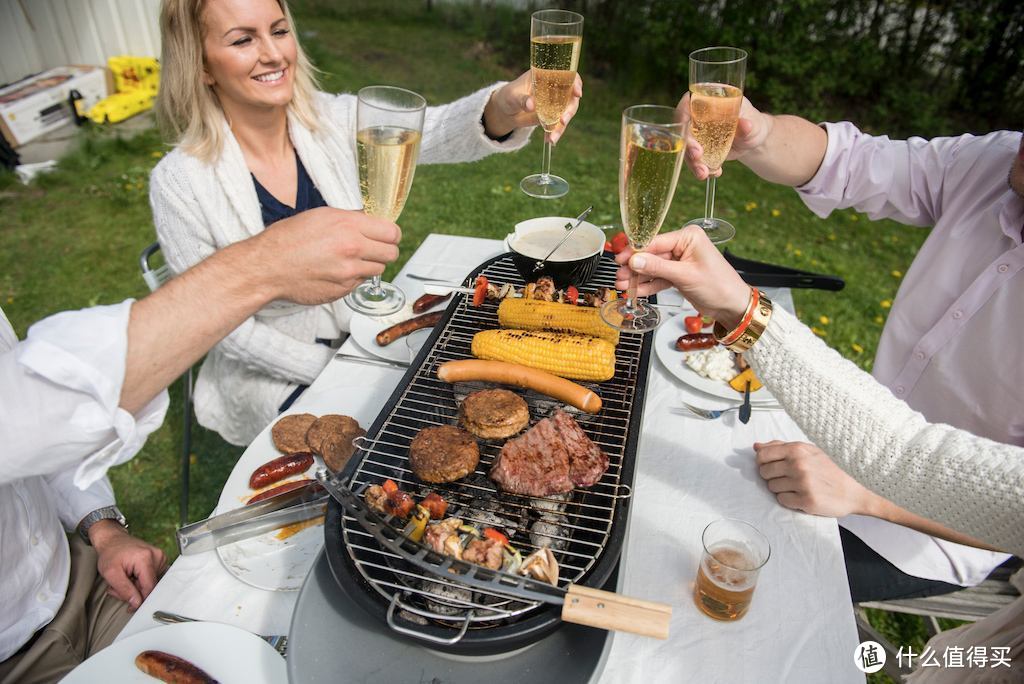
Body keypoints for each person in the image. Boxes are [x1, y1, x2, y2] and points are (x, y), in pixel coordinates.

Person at [150, 0, 581, 446]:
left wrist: (503, 107)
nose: (273, 53)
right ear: (200, 65)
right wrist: (335, 368)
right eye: (243, 39)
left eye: (279, 31)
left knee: (435, 416)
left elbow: (430, 130)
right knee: (368, 444)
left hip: (368, 324)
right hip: (274, 369)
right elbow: (222, 328)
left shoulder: (328, 119)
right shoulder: (180, 182)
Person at [0, 206, 400, 683]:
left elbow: (38, 444)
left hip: (87, 578)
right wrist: (261, 266)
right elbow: (49, 407)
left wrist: (101, 527)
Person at [616, 225, 1024, 681]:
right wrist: (739, 306)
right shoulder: (987, 162)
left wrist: (865, 496)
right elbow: (910, 452)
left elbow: (919, 465)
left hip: (923, 544)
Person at [676, 91, 1023, 602]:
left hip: (919, 532)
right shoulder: (997, 161)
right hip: (840, 430)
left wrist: (867, 495)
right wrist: (760, 132)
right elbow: (850, 161)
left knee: (726, 569)